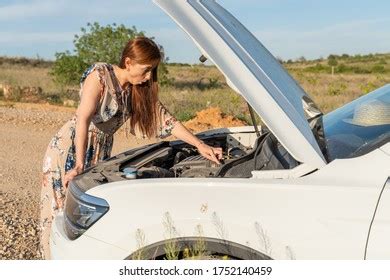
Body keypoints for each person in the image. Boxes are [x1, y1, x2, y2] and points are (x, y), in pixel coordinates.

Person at [39, 36, 223, 259]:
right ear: (128, 62)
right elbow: (83, 119)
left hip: (100, 148)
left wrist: (200, 145)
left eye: (151, 71)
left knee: (85, 215)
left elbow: (167, 121)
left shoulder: (136, 90)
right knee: (62, 214)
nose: (148, 77)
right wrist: (78, 164)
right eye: (145, 70)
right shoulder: (100, 75)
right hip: (71, 146)